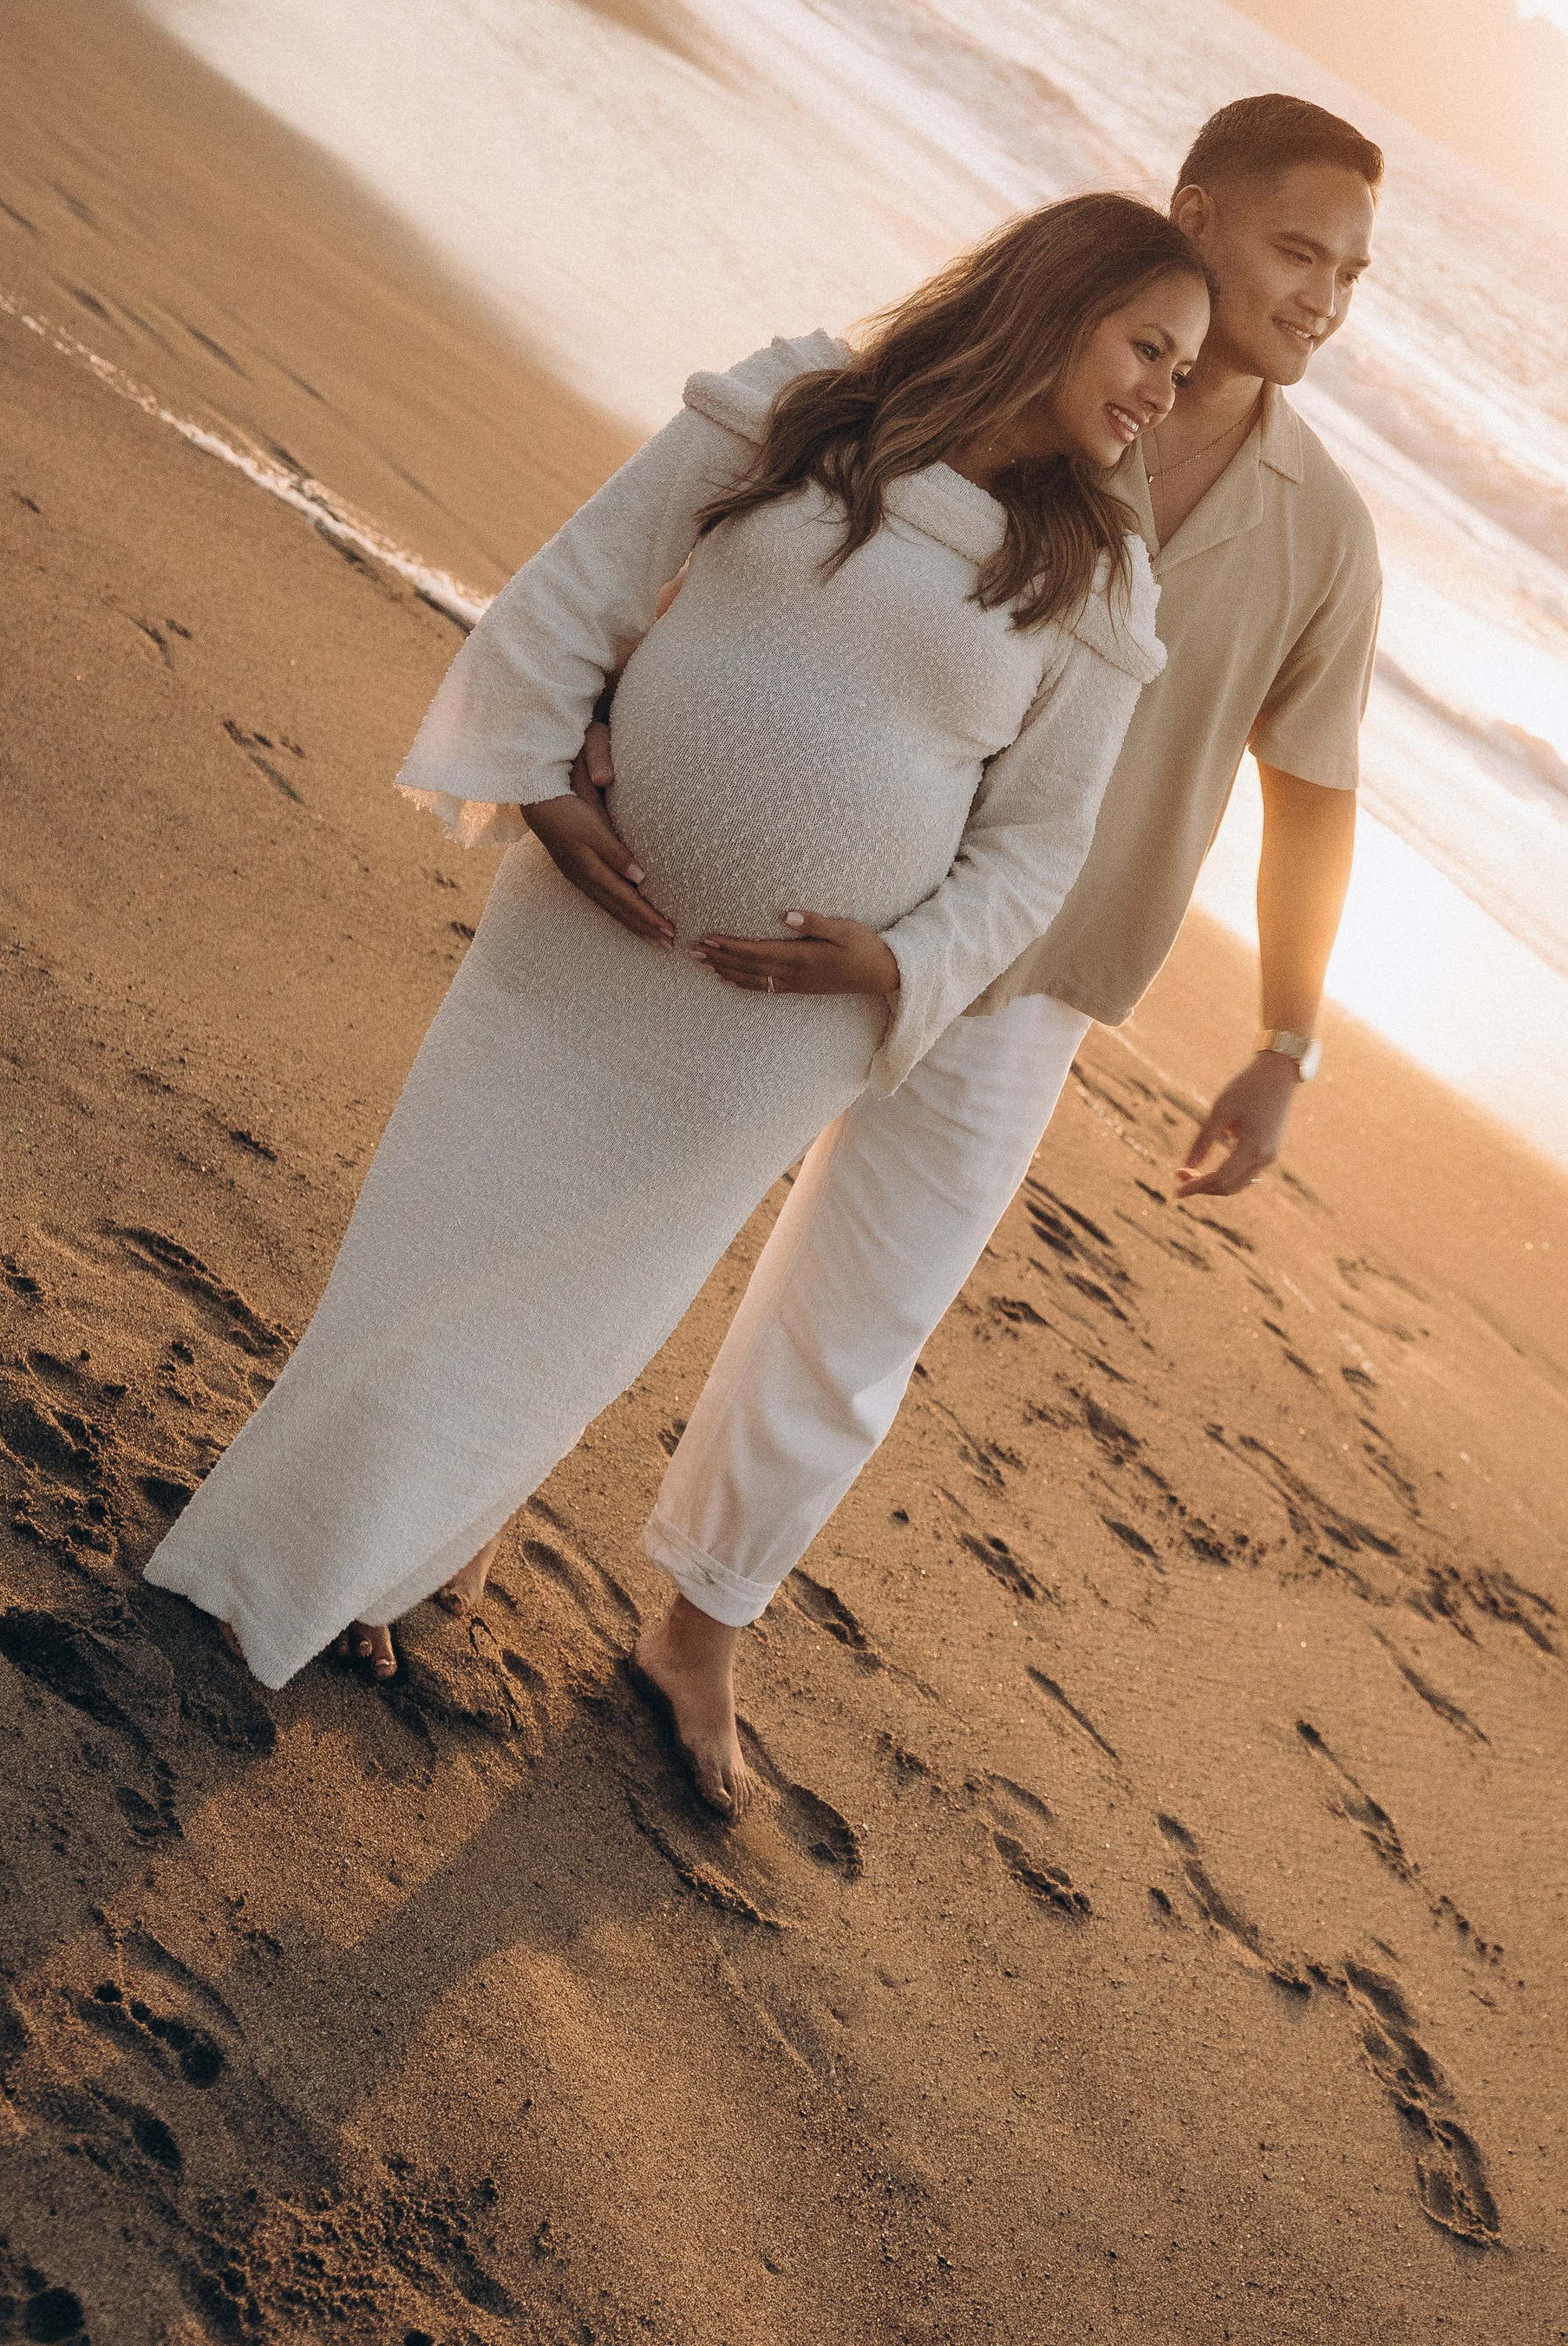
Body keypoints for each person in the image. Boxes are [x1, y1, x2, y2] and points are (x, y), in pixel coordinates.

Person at [144, 193, 1212, 1689]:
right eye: (1149, 346)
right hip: (575, 933)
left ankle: (337, 1566)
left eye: (1185, 368)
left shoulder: (1095, 585)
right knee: (434, 1232)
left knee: (573, 1304)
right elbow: (591, 574)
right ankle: (327, 1544)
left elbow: (1038, 847)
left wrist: (892, 965)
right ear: (1053, 306)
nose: (1167, 394)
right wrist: (533, 776)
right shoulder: (801, 403)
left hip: (767, 1027)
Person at [584, 93, 1385, 1811]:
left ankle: (699, 1626)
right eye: (1296, 250)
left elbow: (1309, 793)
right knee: (641, 1192)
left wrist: (1285, 1038)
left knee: (861, 1318)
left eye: (1352, 272)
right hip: (823, 889)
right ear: (1195, 213)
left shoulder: (1325, 530)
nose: (1324, 296)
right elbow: (795, 512)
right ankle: (459, 1508)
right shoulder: (1028, 386)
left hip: (1039, 969)